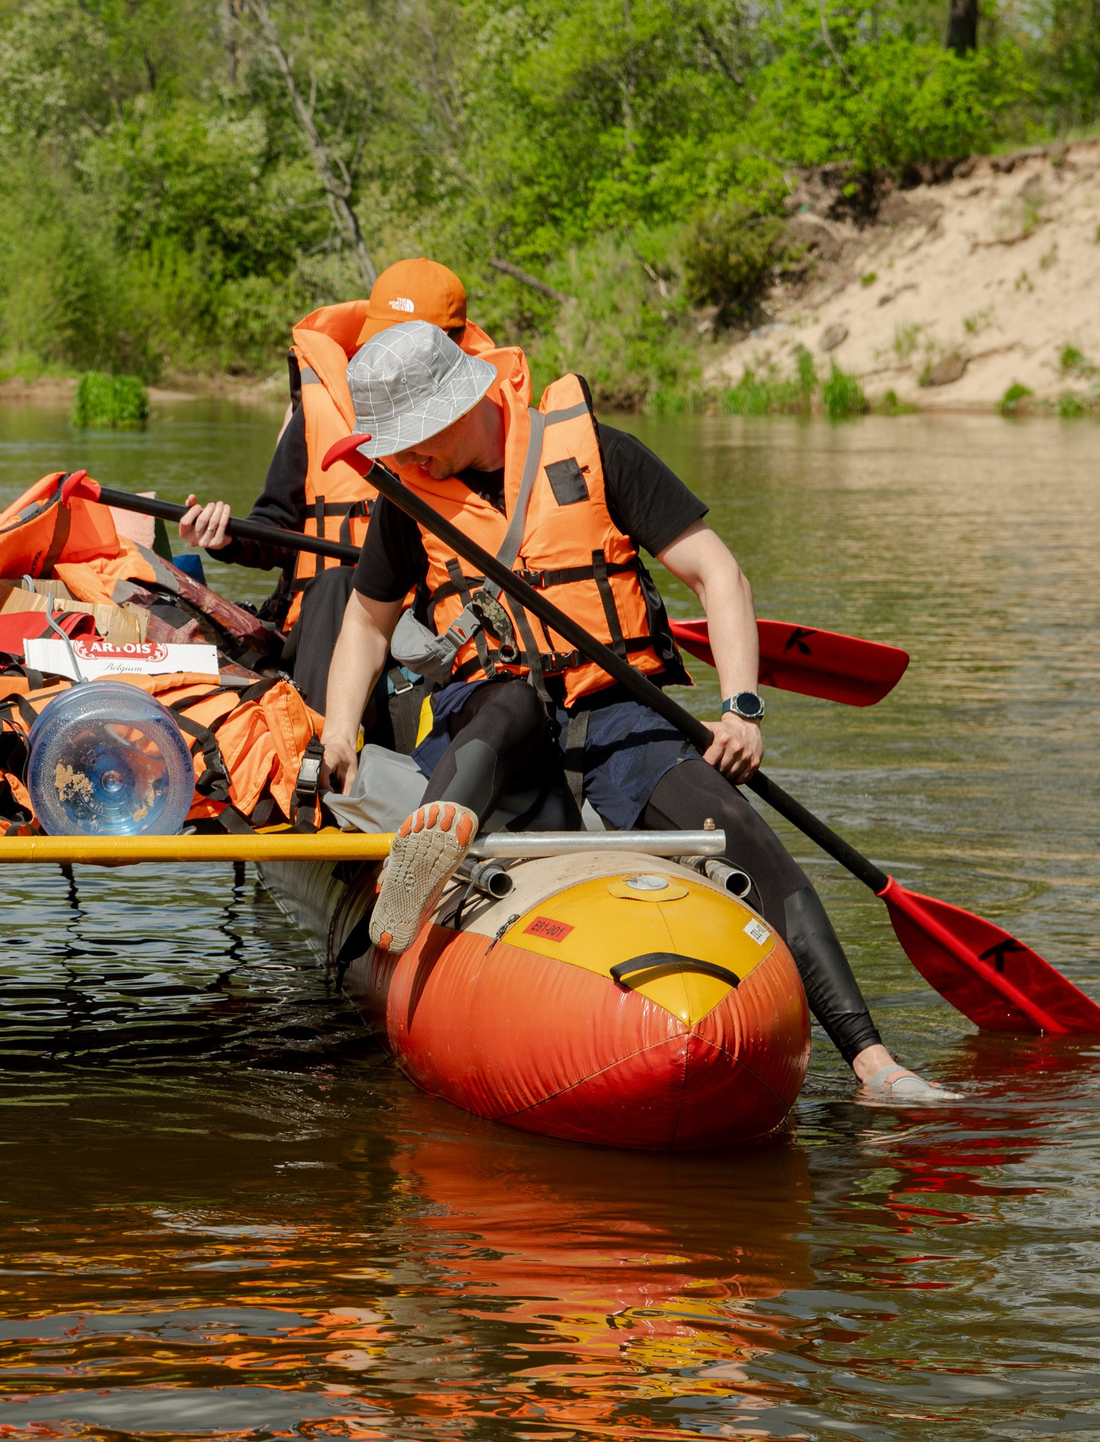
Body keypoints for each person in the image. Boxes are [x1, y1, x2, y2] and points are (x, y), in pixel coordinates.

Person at [315, 319, 955, 1104]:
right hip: (497, 713)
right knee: (505, 705)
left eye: (415, 439)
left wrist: (741, 709)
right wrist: (341, 726)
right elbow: (367, 622)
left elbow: (718, 573)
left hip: (615, 708)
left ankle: (872, 1061)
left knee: (740, 828)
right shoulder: (408, 495)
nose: (405, 458)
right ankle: (430, 847)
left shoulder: (598, 451)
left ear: (463, 402)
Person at [175, 258, 495, 703]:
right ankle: (318, 751)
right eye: (380, 340)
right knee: (336, 584)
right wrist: (226, 539)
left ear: (449, 347)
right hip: (322, 626)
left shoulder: (483, 426)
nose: (387, 356)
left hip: (431, 631)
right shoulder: (319, 410)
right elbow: (278, 528)